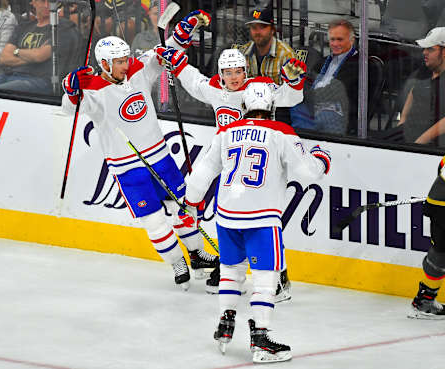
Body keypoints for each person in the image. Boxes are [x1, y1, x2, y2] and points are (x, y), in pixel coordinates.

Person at [61, 11, 218, 291]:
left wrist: (186, 28)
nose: (125, 64)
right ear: (105, 64)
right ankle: (177, 263)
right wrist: (72, 89)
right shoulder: (93, 90)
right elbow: (69, 108)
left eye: (125, 59)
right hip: (127, 168)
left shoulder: (137, 68)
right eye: (119, 61)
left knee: (182, 209)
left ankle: (196, 254)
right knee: (155, 222)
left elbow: (166, 52)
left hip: (159, 157)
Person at [180, 82, 331, 362]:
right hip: (261, 217)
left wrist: (191, 202)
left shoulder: (226, 131)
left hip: (227, 215)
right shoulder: (281, 132)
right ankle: (261, 339)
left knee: (231, 269)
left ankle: (225, 322)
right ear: (271, 108)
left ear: (245, 107)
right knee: (265, 279)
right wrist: (322, 159)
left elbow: (202, 172)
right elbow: (308, 173)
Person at [154, 45, 307, 300]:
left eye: (239, 71)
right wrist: (177, 61)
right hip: (229, 163)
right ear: (220, 73)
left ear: (246, 71)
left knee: (264, 221)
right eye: (228, 72)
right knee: (224, 217)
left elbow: (291, 98)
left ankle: (279, 277)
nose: (234, 77)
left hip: (261, 164)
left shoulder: (258, 89)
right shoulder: (215, 87)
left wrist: (293, 82)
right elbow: (194, 82)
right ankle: (222, 267)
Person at [0, 0, 78, 94]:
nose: (47, 5)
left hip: (41, 80)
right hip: (11, 75)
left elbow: (39, 56)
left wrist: (16, 52)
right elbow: (4, 58)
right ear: (33, 2)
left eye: (51, 1)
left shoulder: (64, 27)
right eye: (42, 1)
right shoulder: (24, 26)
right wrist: (32, 56)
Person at [291, 19, 359, 135]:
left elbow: (344, 97)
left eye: (340, 39)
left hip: (336, 115)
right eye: (332, 39)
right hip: (311, 107)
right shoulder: (323, 61)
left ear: (351, 40)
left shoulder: (360, 66)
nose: (335, 44)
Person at [408, 155, 445, 319]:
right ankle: (425, 301)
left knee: (440, 253)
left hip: (437, 205)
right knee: (440, 253)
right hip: (441, 207)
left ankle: (425, 300)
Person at [396, 27, 445, 145]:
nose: (424, 52)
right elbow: (413, 92)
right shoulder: (426, 69)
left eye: (430, 49)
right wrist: (402, 121)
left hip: (429, 144)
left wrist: (420, 142)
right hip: (406, 133)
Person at [233, 6, 296, 85]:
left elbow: (293, 91)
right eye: (254, 27)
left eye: (262, 27)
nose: (257, 32)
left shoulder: (287, 54)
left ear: (272, 30)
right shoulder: (242, 52)